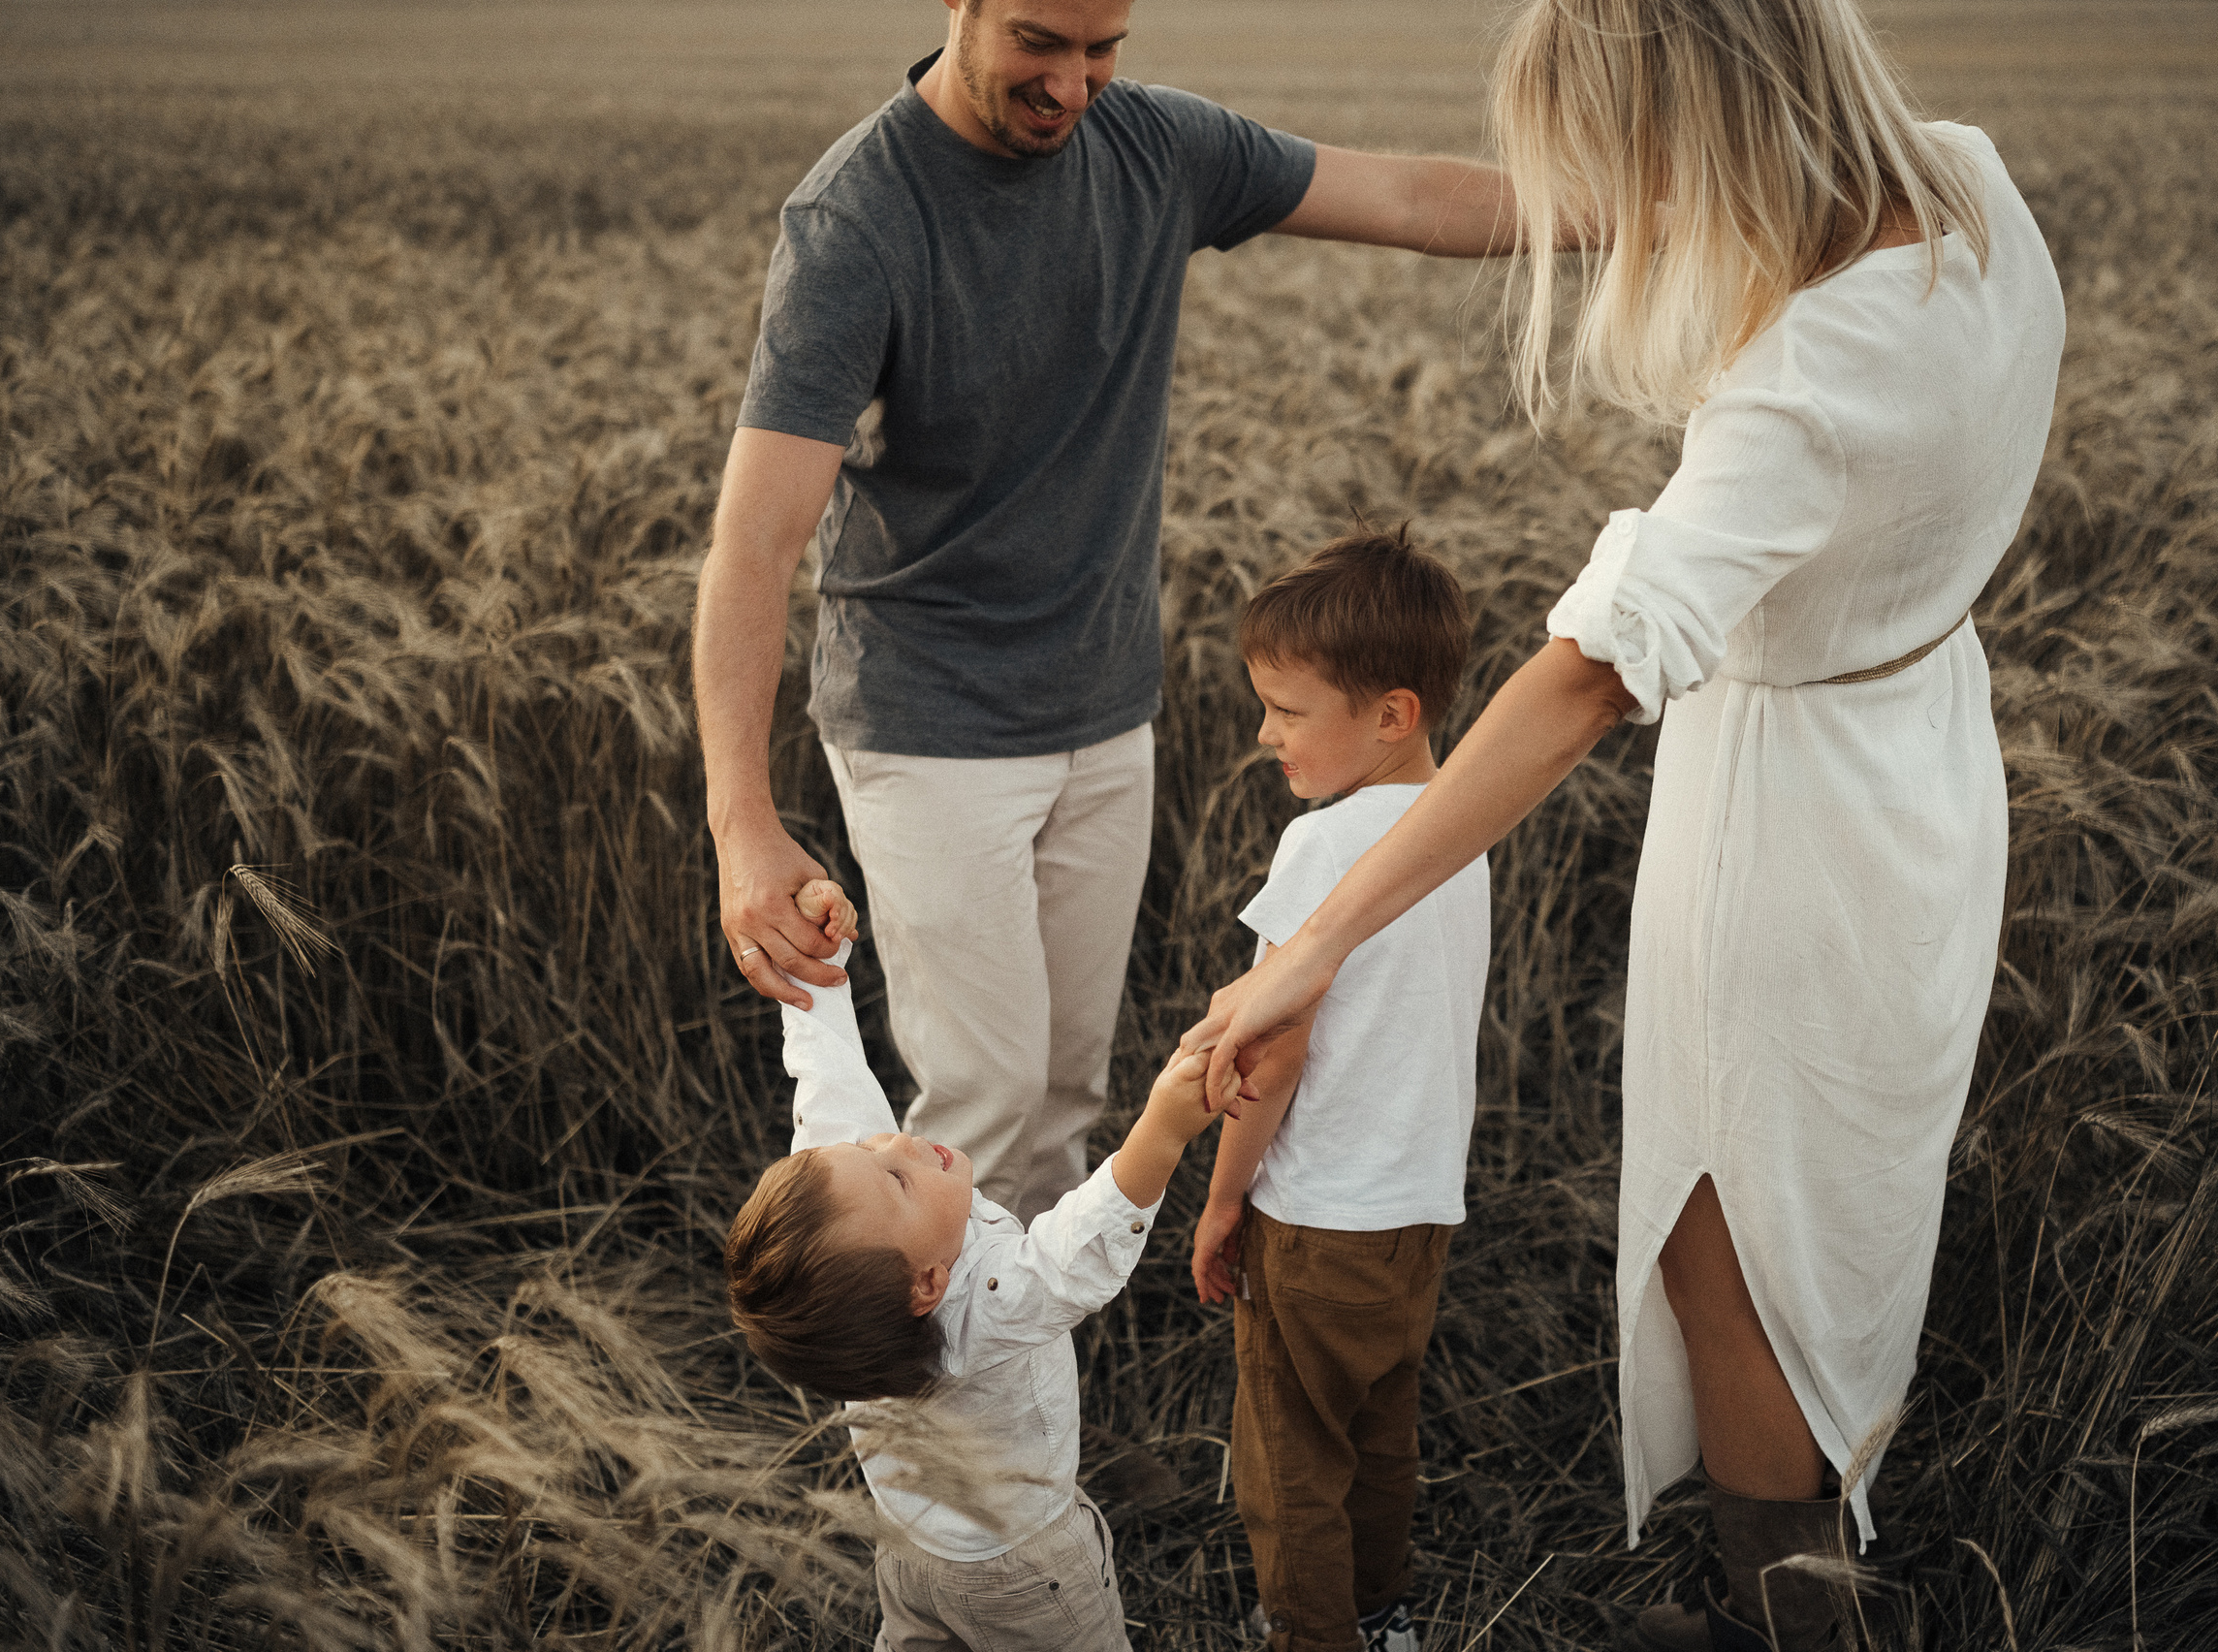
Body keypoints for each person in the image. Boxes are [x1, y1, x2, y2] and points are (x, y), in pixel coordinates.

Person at [1179, 2, 2065, 1648]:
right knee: (1835, 1217)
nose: (1614, 205)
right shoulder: (1970, 188)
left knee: (1722, 1245)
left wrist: (1311, 944)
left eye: (1625, 154)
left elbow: (1583, 682)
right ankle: (1803, 1580)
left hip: (1789, 823)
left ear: (1701, 120)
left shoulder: (1804, 384)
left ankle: (1795, 1623)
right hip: (1921, 758)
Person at [694, 0, 1518, 1225]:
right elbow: (755, 544)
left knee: (1069, 1092)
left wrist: (1685, 214)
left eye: (1103, 49)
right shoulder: (858, 219)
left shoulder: (1156, 149)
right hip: (929, 725)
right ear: (962, 10)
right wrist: (741, 826)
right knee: (982, 1100)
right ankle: (919, 1411)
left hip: (1103, 711)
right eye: (1040, 43)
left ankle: (1031, 1380)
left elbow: (1409, 200)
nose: (1075, 86)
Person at [723, 877, 1225, 1652]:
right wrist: (1163, 1128)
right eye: (894, 1177)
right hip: (1023, 1568)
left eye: (867, 1149)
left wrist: (820, 966)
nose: (892, 1140)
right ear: (928, 1284)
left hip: (909, 1543)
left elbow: (829, 1085)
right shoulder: (982, 1307)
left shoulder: (855, 1266)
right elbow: (1076, 1250)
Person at [1185, 529, 1487, 1652]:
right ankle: (1382, 1616)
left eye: (1288, 710)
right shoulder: (1459, 831)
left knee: (1290, 1461)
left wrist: (1222, 1204)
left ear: (1391, 714)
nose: (1265, 733)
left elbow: (1273, 1053)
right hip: (1417, 1212)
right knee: (1378, 1436)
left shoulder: (1324, 851)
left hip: (1314, 1221)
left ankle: (1313, 1637)